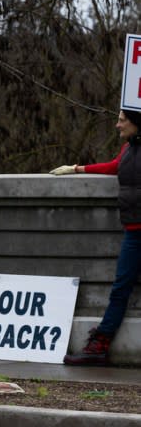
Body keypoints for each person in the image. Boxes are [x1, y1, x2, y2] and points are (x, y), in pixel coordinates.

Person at [50, 109, 141, 366]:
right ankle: (99, 347)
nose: (117, 125)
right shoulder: (127, 149)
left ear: (137, 122)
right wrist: (77, 168)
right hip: (133, 233)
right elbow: (114, 166)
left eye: (123, 120)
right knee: (120, 290)